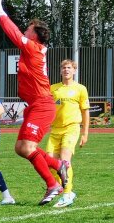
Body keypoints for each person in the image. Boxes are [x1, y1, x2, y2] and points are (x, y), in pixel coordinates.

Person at [0, 0, 69, 205]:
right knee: (20, 148)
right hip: (35, 105)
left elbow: (13, 33)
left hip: (42, 105)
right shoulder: (34, 49)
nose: (25, 31)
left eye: (28, 29)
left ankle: (53, 184)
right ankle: (57, 164)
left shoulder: (33, 48)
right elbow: (17, 34)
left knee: (26, 148)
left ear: (35, 35)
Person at [47, 59, 90, 207]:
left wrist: (85, 133)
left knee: (65, 161)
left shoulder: (80, 89)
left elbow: (85, 112)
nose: (66, 70)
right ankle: (62, 189)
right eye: (64, 68)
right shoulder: (53, 88)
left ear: (74, 70)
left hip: (71, 128)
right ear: (60, 71)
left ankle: (67, 194)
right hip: (54, 130)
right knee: (49, 164)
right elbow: (47, 107)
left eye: (69, 68)